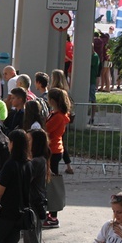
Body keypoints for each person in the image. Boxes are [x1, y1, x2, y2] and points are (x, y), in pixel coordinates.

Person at [17, 128, 50, 243]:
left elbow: (22, 178)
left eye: (28, 141)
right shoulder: (37, 160)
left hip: (33, 208)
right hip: (32, 206)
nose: (26, 144)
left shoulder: (37, 162)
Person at [44, 88, 70, 228]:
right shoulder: (56, 114)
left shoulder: (58, 116)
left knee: (52, 184)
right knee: (49, 181)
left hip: (53, 151)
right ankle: (51, 213)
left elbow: (46, 129)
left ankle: (53, 216)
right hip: (53, 150)